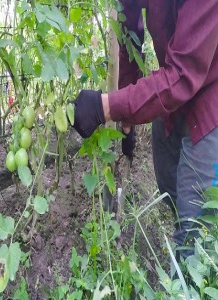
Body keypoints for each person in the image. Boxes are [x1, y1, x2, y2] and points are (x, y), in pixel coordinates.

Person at [72, 0, 218, 258]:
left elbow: (184, 74)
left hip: (210, 99)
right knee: (169, 187)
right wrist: (128, 117)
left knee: (196, 231)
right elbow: (129, 28)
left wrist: (105, 107)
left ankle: (194, 267)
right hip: (173, 86)